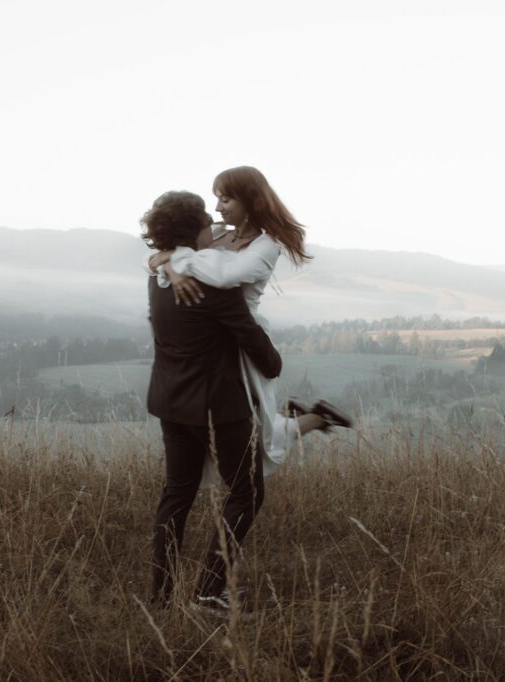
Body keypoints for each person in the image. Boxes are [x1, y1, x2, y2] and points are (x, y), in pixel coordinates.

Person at [148, 166, 352, 486]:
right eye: (217, 198)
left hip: (244, 339)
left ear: (250, 200)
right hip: (212, 340)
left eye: (225, 199)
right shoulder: (217, 234)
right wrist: (171, 266)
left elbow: (226, 276)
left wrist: (177, 263)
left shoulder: (265, 245)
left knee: (257, 433)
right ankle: (307, 417)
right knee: (237, 430)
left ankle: (315, 418)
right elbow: (157, 256)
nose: (217, 207)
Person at [142, 190, 282, 613]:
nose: (214, 225)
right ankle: (208, 591)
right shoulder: (213, 285)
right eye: (207, 220)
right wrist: (272, 363)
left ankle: (161, 597)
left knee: (176, 495)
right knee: (247, 493)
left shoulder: (159, 278)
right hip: (218, 406)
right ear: (196, 229)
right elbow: (253, 340)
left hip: (169, 401)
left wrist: (165, 259)